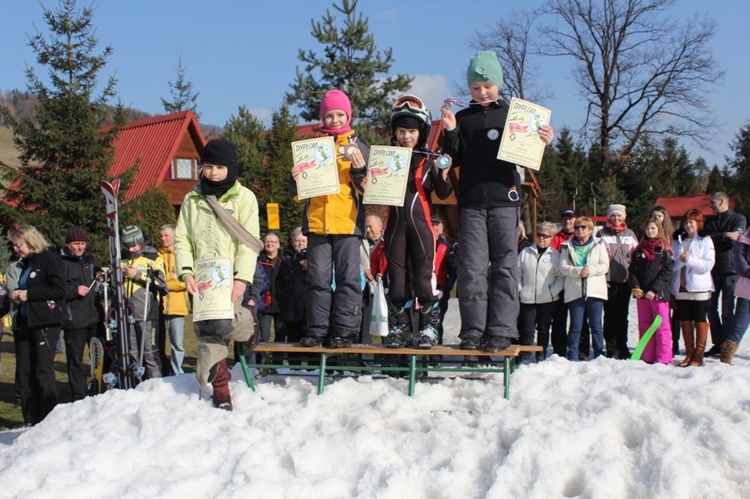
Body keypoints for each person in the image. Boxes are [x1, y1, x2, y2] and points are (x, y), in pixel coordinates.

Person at [441, 50, 554, 352]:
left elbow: (532, 154)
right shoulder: (463, 118)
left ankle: (501, 331)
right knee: (473, 268)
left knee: (505, 267)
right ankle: (473, 332)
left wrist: (543, 139)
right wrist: (450, 132)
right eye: (475, 87)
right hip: (472, 202)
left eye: (487, 85)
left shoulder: (516, 116)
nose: (482, 92)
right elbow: (451, 158)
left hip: (506, 200)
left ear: (498, 83)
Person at [175, 139, 260, 410]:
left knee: (224, 324)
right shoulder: (192, 198)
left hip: (230, 274)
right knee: (207, 329)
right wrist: (186, 272)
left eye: (220, 168)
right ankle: (221, 387)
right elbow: (182, 239)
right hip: (201, 276)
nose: (213, 173)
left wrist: (241, 278)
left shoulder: (244, 197)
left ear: (230, 169)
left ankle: (248, 326)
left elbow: (248, 241)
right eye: (209, 166)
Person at [291, 89, 369, 348]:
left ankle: (344, 331)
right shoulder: (311, 149)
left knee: (348, 279)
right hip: (317, 224)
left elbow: (368, 190)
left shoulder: (359, 147)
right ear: (322, 117)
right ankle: (316, 329)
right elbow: (298, 194)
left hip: (348, 223)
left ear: (348, 115)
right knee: (317, 279)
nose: (335, 120)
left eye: (339, 114)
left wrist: (359, 169)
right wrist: (295, 179)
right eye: (329, 115)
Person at [383, 95, 453, 349]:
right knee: (396, 279)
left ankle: (428, 328)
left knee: (425, 277)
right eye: (402, 131)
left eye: (412, 131)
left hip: (422, 226)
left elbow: (443, 193)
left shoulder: (429, 159)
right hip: (394, 228)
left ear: (421, 132)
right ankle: (400, 328)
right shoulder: (386, 161)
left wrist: (443, 174)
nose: (406, 137)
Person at [8, 225, 66, 425]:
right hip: (25, 321)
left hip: (45, 322)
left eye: (18, 245)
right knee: (25, 371)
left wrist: (29, 295)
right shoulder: (26, 264)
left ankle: (49, 418)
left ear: (30, 241)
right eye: (14, 246)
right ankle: (30, 418)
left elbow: (59, 289)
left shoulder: (50, 260)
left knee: (43, 371)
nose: (16, 249)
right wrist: (18, 294)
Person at [59, 225, 103, 400]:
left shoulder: (91, 261)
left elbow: (99, 278)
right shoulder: (60, 263)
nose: (80, 247)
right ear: (68, 244)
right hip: (74, 321)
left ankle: (100, 388)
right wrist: (74, 290)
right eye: (76, 243)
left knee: (99, 357)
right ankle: (78, 396)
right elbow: (55, 289)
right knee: (76, 361)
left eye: (82, 243)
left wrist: (101, 278)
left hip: (94, 318)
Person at [558, 216, 609, 361]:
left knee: (596, 326)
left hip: (595, 290)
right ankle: (572, 355)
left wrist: (590, 270)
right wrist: (578, 271)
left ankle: (599, 355)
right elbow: (563, 267)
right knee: (575, 326)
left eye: (583, 227)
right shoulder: (566, 246)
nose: (579, 230)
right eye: (577, 227)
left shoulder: (599, 244)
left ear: (590, 230)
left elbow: (605, 266)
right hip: (575, 290)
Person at [704, 192, 746, 357]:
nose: (710, 206)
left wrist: (724, 237)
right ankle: (717, 342)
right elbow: (707, 238)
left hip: (730, 271)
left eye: (712, 202)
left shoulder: (738, 219)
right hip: (712, 271)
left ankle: (726, 344)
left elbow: (735, 240)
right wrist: (725, 234)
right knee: (710, 309)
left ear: (722, 201)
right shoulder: (710, 221)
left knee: (728, 310)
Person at [671, 209, 715, 367]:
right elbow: (671, 265)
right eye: (686, 222)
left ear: (698, 224)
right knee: (685, 319)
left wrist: (689, 260)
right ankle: (689, 353)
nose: (688, 225)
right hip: (681, 287)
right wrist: (681, 261)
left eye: (692, 222)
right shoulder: (677, 240)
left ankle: (698, 354)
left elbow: (707, 265)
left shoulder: (705, 240)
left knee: (700, 318)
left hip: (699, 287)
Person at [121, 225, 166, 380]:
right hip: (127, 314)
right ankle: (136, 385)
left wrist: (137, 275)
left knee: (149, 352)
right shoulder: (122, 259)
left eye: (134, 245)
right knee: (132, 352)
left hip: (147, 313)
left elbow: (162, 285)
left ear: (140, 242)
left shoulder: (153, 258)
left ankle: (156, 385)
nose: (132, 249)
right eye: (128, 246)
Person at [628, 220, 674, 365]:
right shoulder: (638, 250)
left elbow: (667, 273)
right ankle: (647, 356)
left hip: (658, 295)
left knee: (662, 327)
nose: (650, 231)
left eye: (653, 228)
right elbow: (633, 271)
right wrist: (635, 287)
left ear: (659, 230)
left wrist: (654, 289)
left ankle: (664, 358)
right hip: (642, 296)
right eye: (647, 228)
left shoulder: (664, 250)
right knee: (645, 326)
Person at [517, 221, 564, 362]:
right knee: (526, 329)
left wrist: (552, 292)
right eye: (539, 235)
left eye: (546, 236)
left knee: (543, 329)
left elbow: (560, 277)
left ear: (552, 238)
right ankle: (524, 356)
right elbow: (517, 273)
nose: (542, 238)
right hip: (527, 298)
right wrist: (521, 290)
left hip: (547, 299)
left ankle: (541, 356)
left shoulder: (555, 256)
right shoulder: (526, 253)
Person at [598, 204, 638, 359]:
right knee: (610, 315)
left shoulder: (630, 234)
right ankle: (612, 347)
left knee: (623, 315)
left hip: (625, 280)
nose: (616, 218)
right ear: (609, 217)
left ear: (624, 217)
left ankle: (623, 346)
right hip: (609, 280)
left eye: (619, 216)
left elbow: (635, 257)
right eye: (613, 215)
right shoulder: (602, 234)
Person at [158, 224, 189, 375]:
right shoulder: (157, 256)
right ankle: (162, 371)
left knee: (177, 343)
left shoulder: (182, 256)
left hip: (177, 307)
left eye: (166, 235)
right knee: (158, 343)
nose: (163, 238)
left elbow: (184, 281)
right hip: (158, 306)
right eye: (161, 236)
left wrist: (164, 283)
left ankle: (178, 372)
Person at [720, 227, 750, 364]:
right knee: (740, 323)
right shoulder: (745, 237)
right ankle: (726, 354)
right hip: (747, 287)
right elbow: (738, 258)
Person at [551, 209, 577, 356]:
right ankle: (559, 350)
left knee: (578, 320)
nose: (568, 222)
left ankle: (580, 349)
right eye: (565, 219)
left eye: (571, 219)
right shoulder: (556, 238)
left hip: (575, 283)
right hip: (560, 282)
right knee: (559, 319)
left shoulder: (580, 235)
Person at [276, 227, 308, 345]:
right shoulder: (284, 257)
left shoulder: (312, 257)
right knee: (292, 339)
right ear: (292, 241)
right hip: (289, 305)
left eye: (303, 241)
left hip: (306, 305)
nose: (300, 243)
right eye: (297, 240)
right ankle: (294, 362)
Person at [257, 232, 284, 343]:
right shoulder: (258, 261)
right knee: (263, 335)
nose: (270, 244)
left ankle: (278, 360)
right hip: (264, 304)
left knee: (281, 335)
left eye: (273, 241)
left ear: (278, 244)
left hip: (281, 304)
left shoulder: (285, 260)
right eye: (267, 241)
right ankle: (262, 360)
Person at [433, 215, 455, 344]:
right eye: (433, 224)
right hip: (424, 285)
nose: (435, 227)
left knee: (438, 319)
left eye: (438, 225)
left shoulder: (447, 246)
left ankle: (436, 353)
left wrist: (448, 285)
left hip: (441, 286)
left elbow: (453, 268)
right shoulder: (423, 243)